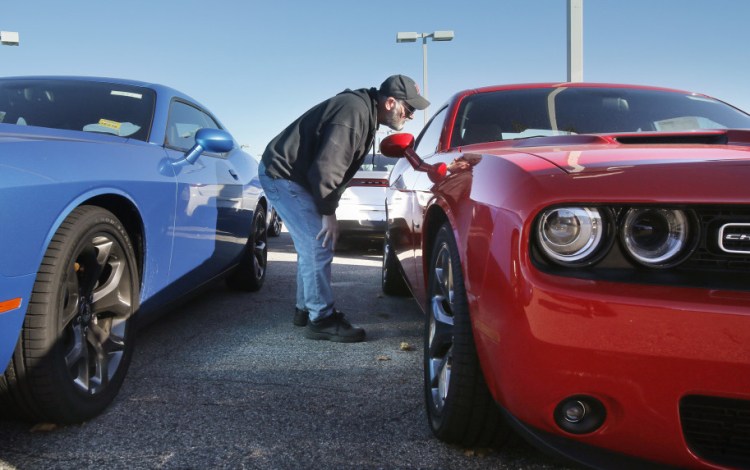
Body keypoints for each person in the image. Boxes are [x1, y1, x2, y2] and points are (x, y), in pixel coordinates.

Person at [258, 74, 429, 343]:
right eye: (409, 110)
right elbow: (327, 168)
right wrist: (329, 214)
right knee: (319, 244)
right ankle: (322, 319)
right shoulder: (353, 112)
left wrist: (329, 210)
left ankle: (306, 310)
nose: (410, 116)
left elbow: (332, 169)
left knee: (312, 243)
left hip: (294, 176)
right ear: (391, 102)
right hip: (284, 174)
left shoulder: (363, 112)